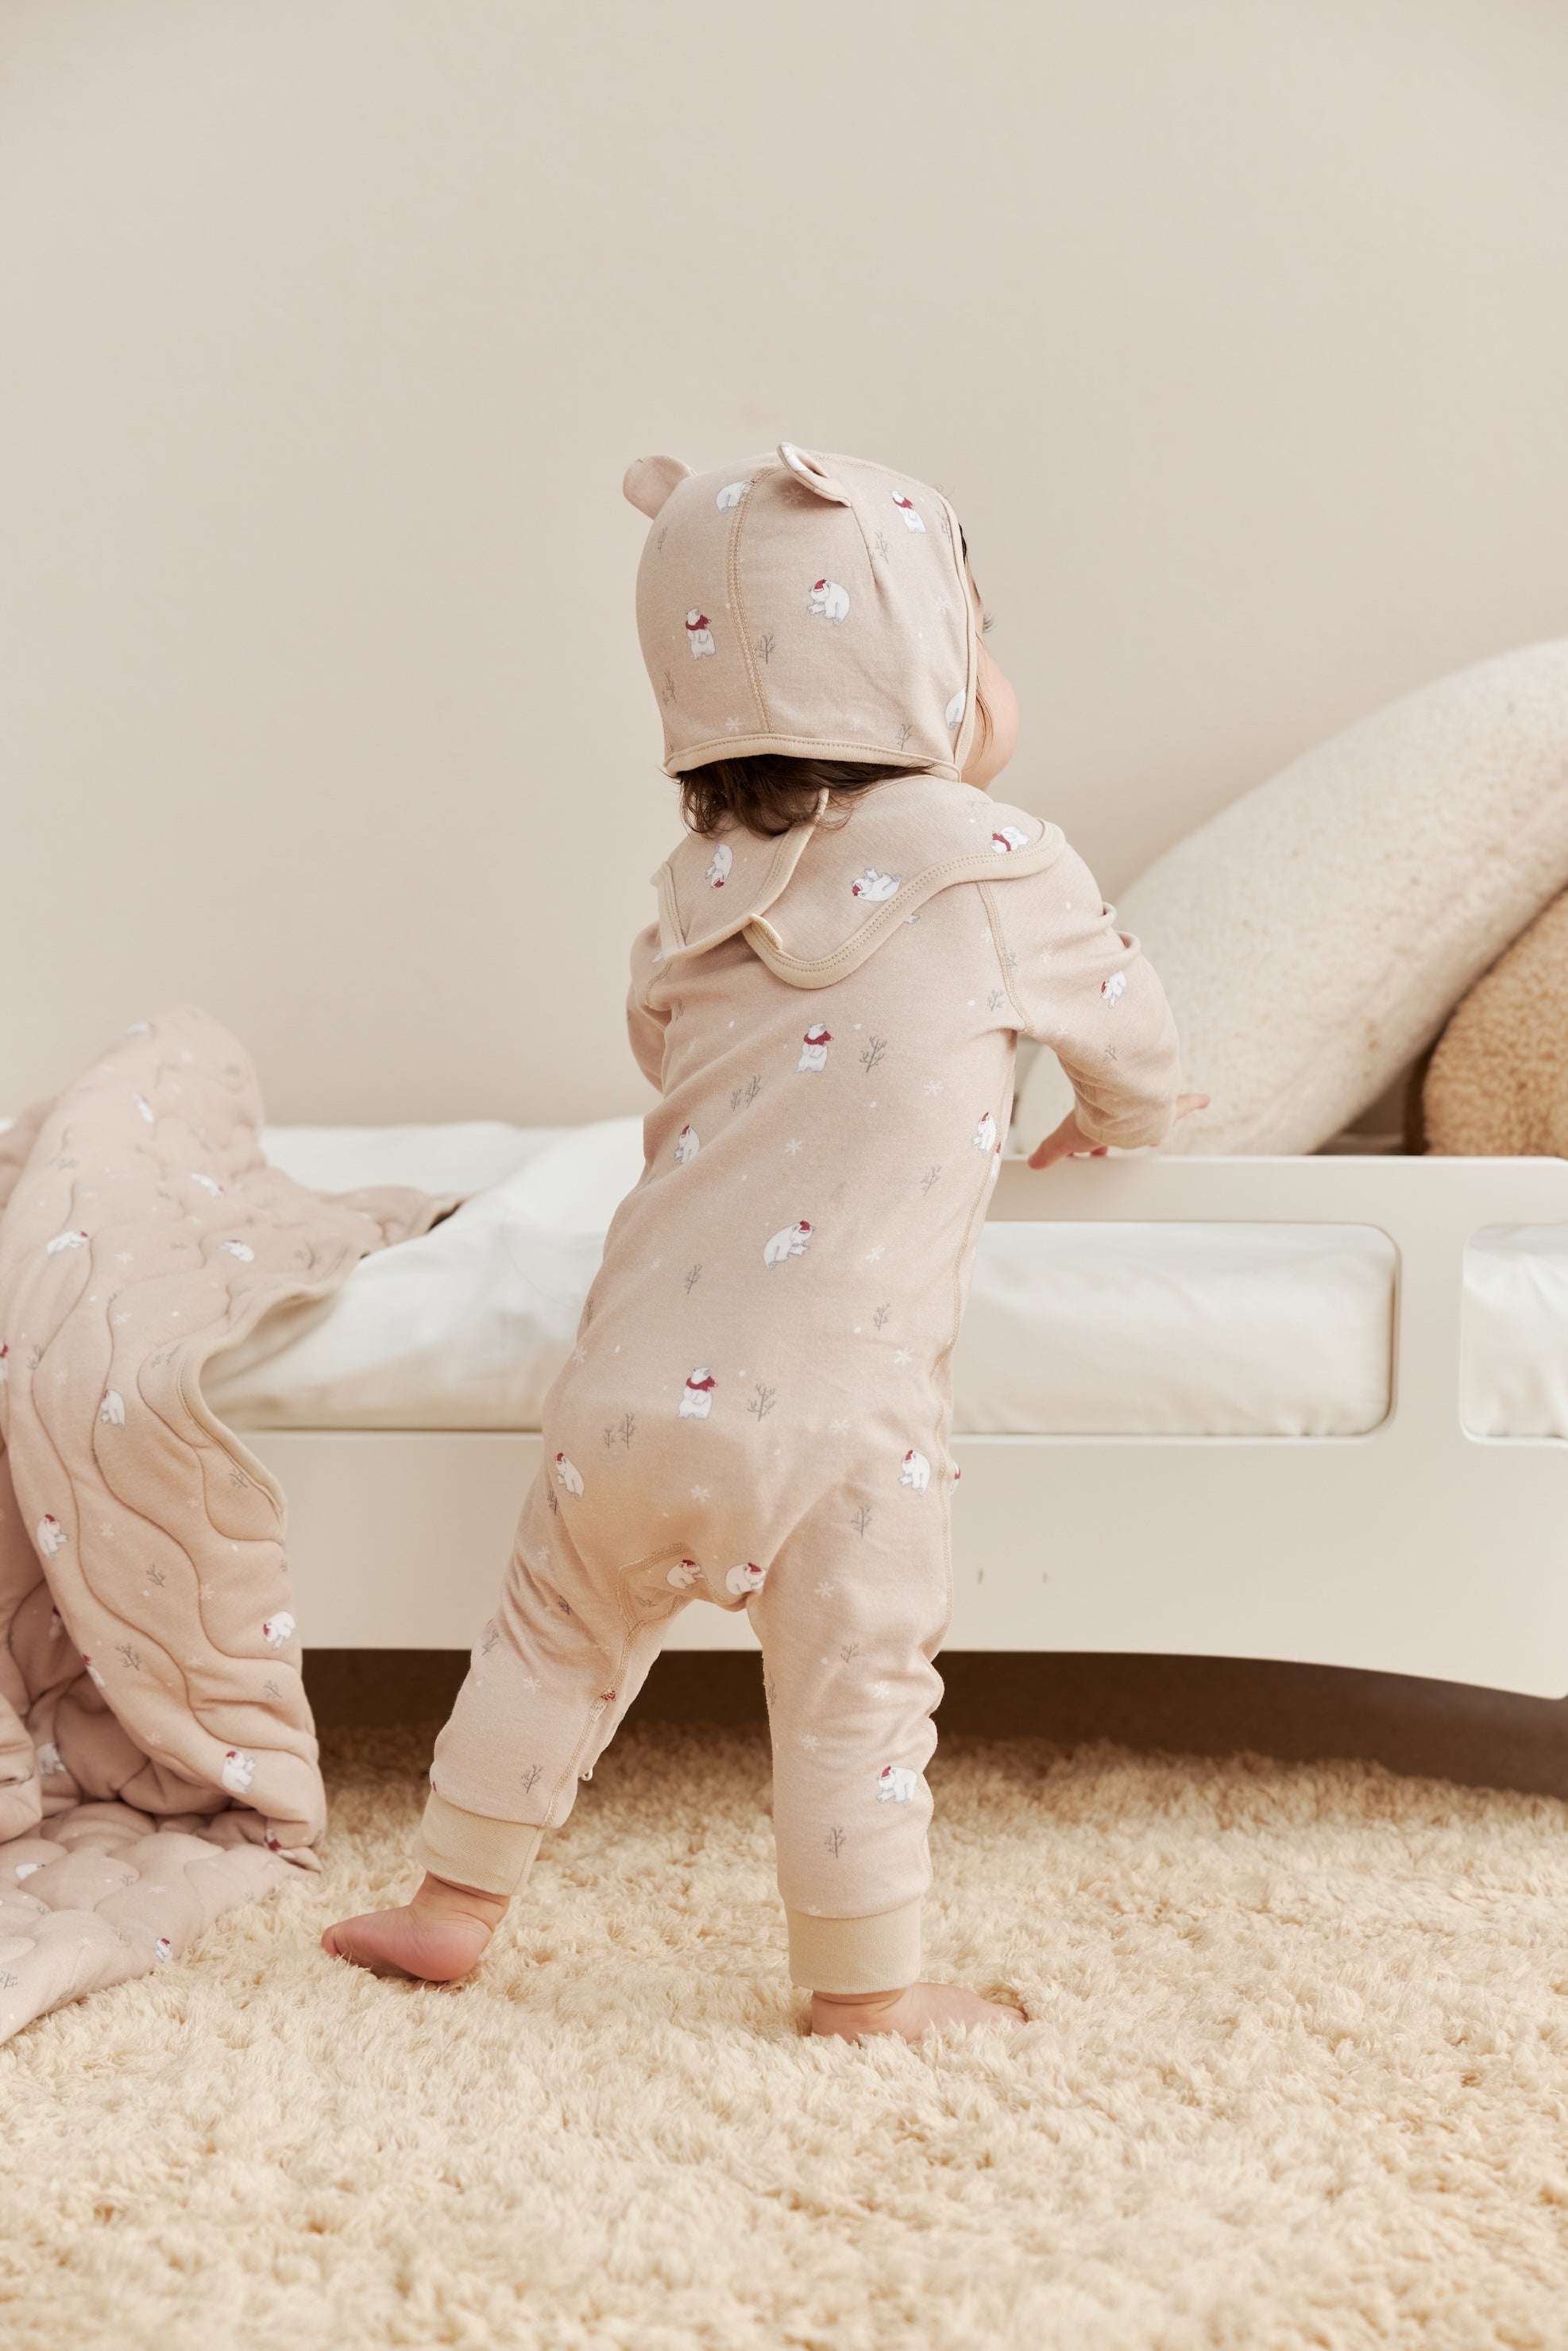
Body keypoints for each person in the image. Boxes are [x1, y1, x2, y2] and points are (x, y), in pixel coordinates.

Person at [322, 442, 1205, 2039]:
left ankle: (452, 1901)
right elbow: (1137, 1038)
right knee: (858, 1690)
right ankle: (866, 1985)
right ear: (917, 666)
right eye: (973, 632)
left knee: (552, 1634)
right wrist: (1114, 1121)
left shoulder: (692, 886)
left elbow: (666, 1045)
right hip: (842, 1413)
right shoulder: (1006, 864)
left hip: (628, 1377)